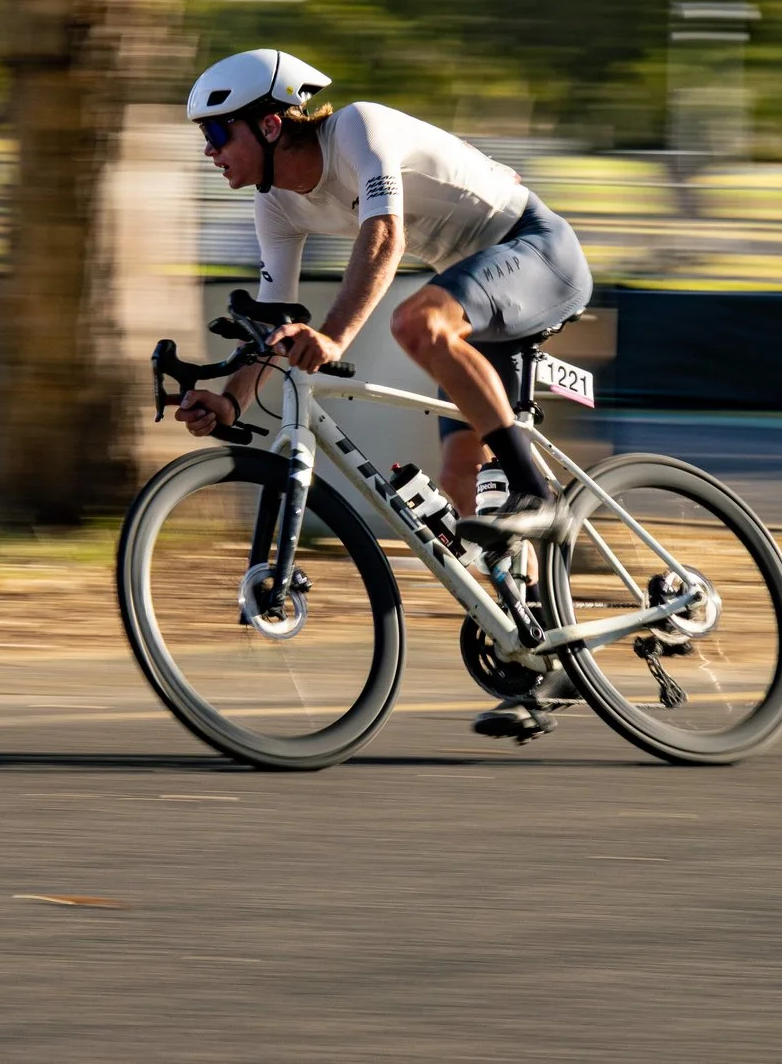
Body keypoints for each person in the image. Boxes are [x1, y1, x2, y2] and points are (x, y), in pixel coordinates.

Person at [172, 48, 594, 739]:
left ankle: (538, 495)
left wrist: (334, 334)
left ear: (272, 125)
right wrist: (229, 399)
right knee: (460, 480)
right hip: (477, 291)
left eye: (218, 135)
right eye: (204, 141)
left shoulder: (359, 131)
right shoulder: (275, 209)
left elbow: (385, 234)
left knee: (415, 321)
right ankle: (538, 650)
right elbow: (273, 329)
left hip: (535, 250)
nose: (210, 153)